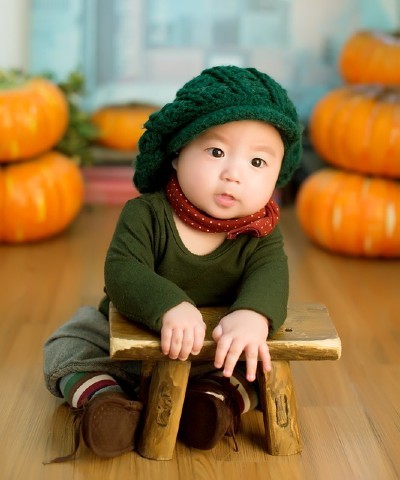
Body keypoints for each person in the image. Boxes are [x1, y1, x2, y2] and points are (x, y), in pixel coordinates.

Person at [43, 65, 302, 461]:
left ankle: (214, 403)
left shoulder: (261, 231)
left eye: (257, 163)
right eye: (216, 152)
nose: (233, 174)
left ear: (278, 176)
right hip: (127, 341)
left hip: (214, 353)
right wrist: (169, 305)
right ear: (177, 155)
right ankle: (104, 401)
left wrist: (253, 314)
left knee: (256, 366)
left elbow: (272, 277)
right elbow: (123, 271)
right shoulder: (147, 214)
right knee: (68, 343)